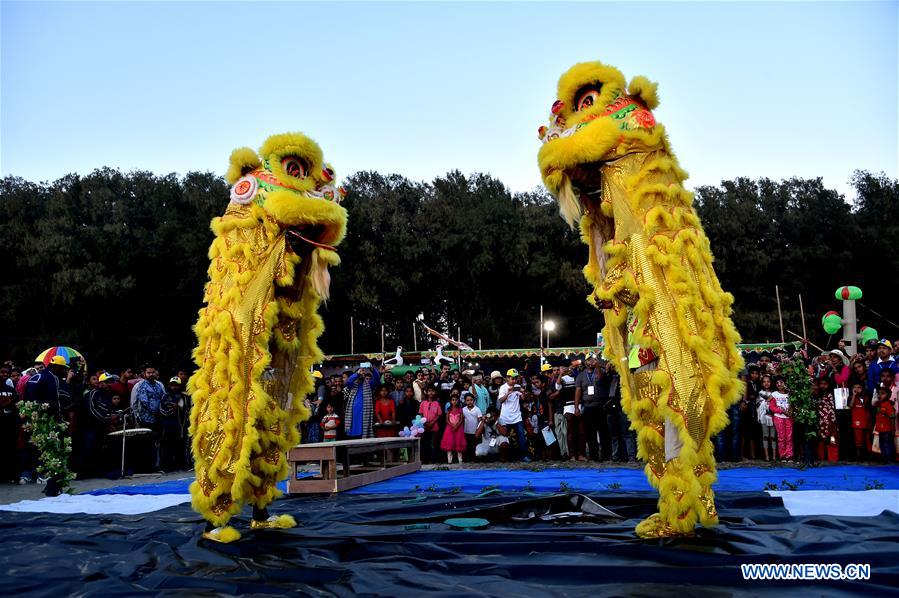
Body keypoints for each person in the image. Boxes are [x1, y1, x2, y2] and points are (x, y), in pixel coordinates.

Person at [131, 364, 166, 470]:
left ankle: (157, 465)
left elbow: (164, 398)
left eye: (153, 372)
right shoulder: (139, 386)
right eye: (149, 373)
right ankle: (145, 467)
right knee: (145, 443)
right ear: (144, 373)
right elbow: (139, 403)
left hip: (159, 419)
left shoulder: (160, 385)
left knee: (158, 442)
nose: (151, 374)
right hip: (145, 419)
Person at [576, 354, 610, 462]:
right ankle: (593, 456)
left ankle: (605, 455)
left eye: (591, 359)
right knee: (591, 433)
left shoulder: (600, 371)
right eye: (587, 360)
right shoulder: (581, 375)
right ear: (585, 362)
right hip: (588, 406)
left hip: (600, 405)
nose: (589, 362)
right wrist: (576, 407)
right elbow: (578, 391)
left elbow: (600, 379)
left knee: (603, 431)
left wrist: (597, 366)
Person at [603, 363, 636, 462]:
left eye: (615, 366)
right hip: (611, 409)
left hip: (623, 407)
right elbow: (601, 382)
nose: (614, 368)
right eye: (612, 366)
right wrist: (607, 371)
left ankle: (631, 456)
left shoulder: (625, 377)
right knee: (614, 434)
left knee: (627, 433)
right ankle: (616, 456)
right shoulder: (609, 378)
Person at [160, 376, 191, 471]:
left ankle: (182, 465)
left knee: (181, 446)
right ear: (169, 385)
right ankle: (167, 466)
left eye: (176, 385)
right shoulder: (165, 396)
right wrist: (172, 410)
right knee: (168, 446)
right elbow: (162, 410)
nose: (174, 387)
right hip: (169, 426)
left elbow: (189, 410)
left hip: (181, 426)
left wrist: (181, 409)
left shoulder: (185, 397)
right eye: (172, 385)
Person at [498, 369, 529, 462]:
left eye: (516, 378)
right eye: (513, 379)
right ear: (507, 378)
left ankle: (523, 455)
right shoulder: (503, 387)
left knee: (521, 436)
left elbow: (523, 398)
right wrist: (508, 393)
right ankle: (505, 457)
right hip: (505, 417)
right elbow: (500, 400)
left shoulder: (518, 386)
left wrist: (523, 392)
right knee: (504, 437)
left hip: (517, 416)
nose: (515, 381)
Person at [344, 366, 380, 439]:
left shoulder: (369, 384)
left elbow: (377, 380)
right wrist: (357, 374)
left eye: (363, 373)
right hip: (353, 414)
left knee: (364, 433)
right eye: (360, 372)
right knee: (353, 436)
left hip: (365, 413)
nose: (361, 374)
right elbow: (348, 381)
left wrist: (373, 370)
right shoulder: (352, 385)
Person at [0, 367, 18, 483]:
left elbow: (16, 406)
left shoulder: (11, 389)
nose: (5, 375)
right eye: (2, 372)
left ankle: (10, 475)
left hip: (10, 425)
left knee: (10, 450)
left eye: (7, 373)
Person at [769, 377, 793, 461]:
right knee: (781, 437)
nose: (779, 384)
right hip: (778, 417)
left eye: (781, 382)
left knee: (789, 437)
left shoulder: (790, 394)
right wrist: (781, 411)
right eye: (777, 383)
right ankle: (782, 455)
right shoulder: (774, 394)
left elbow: (793, 405)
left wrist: (790, 412)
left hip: (789, 418)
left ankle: (789, 455)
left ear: (785, 383)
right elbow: (771, 407)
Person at [815, 377, 839, 462]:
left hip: (829, 421)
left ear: (829, 385)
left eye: (825, 384)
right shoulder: (817, 395)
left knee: (832, 438)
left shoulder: (830, 395)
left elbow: (832, 409)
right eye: (821, 384)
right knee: (820, 439)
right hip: (819, 421)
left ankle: (832, 458)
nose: (823, 386)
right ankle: (821, 457)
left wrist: (831, 422)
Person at [418, 386, 443, 464]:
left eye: (432, 391)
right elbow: (421, 414)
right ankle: (425, 460)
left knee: (433, 444)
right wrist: (425, 423)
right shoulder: (423, 403)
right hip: (424, 427)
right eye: (429, 391)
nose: (431, 392)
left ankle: (433, 460)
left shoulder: (437, 403)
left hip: (434, 427)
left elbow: (439, 415)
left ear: (435, 392)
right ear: (426, 392)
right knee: (425, 443)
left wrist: (432, 423)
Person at [440, 393, 465, 463]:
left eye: (456, 400)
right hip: (449, 429)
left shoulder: (460, 409)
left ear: (458, 401)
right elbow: (447, 420)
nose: (454, 401)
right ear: (450, 401)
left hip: (459, 428)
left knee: (458, 442)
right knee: (449, 443)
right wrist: (452, 425)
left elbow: (461, 419)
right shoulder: (449, 409)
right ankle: (449, 460)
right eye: (453, 400)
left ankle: (460, 459)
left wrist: (456, 426)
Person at [756, 375, 776, 462]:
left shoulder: (775, 393)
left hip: (773, 417)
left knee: (773, 436)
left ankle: (774, 456)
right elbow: (758, 405)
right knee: (765, 436)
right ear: (762, 383)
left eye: (768, 381)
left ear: (771, 383)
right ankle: (767, 456)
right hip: (764, 417)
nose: (766, 383)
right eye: (764, 382)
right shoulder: (760, 393)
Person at [873, 386, 896, 462]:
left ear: (888, 395)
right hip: (880, 429)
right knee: (882, 444)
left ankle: (890, 459)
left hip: (887, 429)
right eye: (878, 394)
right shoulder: (879, 404)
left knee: (888, 444)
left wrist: (893, 429)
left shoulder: (889, 405)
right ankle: (884, 458)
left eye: (882, 394)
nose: (880, 395)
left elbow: (892, 418)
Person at [849, 382, 871, 460]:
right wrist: (854, 396)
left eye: (859, 387)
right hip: (857, 421)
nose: (856, 389)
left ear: (862, 389)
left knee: (867, 438)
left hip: (865, 420)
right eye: (854, 387)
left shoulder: (865, 397)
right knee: (858, 439)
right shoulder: (851, 397)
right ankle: (859, 456)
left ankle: (867, 455)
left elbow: (867, 407)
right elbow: (851, 406)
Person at [461, 392, 482, 461]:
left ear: (474, 400)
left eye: (471, 400)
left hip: (475, 432)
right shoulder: (463, 409)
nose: (469, 402)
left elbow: (480, 421)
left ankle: (475, 458)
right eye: (467, 400)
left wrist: (478, 430)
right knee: (467, 445)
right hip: (466, 431)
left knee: (474, 446)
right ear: (465, 401)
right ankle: (467, 458)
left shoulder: (477, 409)